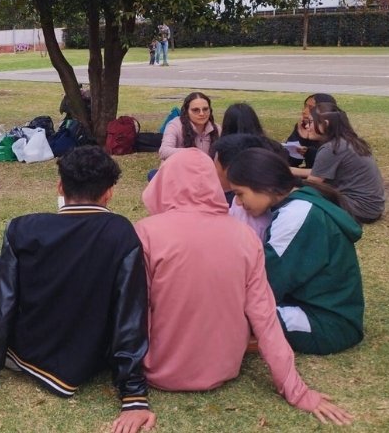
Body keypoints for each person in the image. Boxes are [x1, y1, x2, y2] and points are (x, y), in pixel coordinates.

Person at [135, 149, 353, 425]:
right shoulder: (245, 236)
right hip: (224, 368)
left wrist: (130, 392)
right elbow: (265, 318)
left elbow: (132, 311)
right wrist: (296, 390)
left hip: (158, 369)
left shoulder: (145, 232)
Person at [0, 146, 154, 433]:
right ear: (109, 192)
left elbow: (3, 306)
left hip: (21, 354)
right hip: (85, 360)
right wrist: (133, 398)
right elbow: (129, 317)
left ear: (60, 187)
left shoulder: (23, 227)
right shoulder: (121, 233)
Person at [228, 148, 364, 355]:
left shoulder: (296, 215)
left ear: (263, 185)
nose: (238, 202)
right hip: (318, 309)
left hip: (327, 324)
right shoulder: (300, 203)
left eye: (240, 193)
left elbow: (267, 280)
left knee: (229, 313)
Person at [292, 102, 385, 224]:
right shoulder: (348, 141)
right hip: (373, 207)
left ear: (325, 124)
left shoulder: (332, 148)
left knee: (297, 200)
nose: (307, 127)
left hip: (359, 209)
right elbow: (321, 172)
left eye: (310, 122)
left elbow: (311, 185)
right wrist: (291, 170)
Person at [211, 134, 285, 242]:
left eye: (215, 165)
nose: (212, 171)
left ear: (230, 170)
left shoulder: (248, 211)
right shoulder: (249, 200)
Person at [159, 91, 220, 160]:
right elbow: (164, 151)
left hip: (208, 170)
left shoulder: (217, 129)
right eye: (195, 110)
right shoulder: (175, 125)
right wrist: (192, 153)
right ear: (186, 112)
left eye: (205, 109)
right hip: (181, 169)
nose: (202, 113)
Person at [286, 93, 337, 168]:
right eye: (305, 106)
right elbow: (292, 160)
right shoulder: (303, 126)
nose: (304, 111)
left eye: (311, 108)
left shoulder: (338, 134)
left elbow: (324, 169)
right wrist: (301, 137)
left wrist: (308, 152)